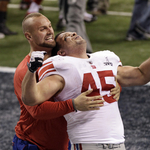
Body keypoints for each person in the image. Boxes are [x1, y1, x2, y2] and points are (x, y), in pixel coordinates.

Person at [13, 13, 119, 150]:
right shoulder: (26, 71)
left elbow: (94, 72)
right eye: (42, 29)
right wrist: (73, 104)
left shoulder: (65, 56)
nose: (50, 31)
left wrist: (115, 85)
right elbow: (36, 111)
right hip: (34, 144)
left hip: (65, 141)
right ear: (29, 36)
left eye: (50, 26)